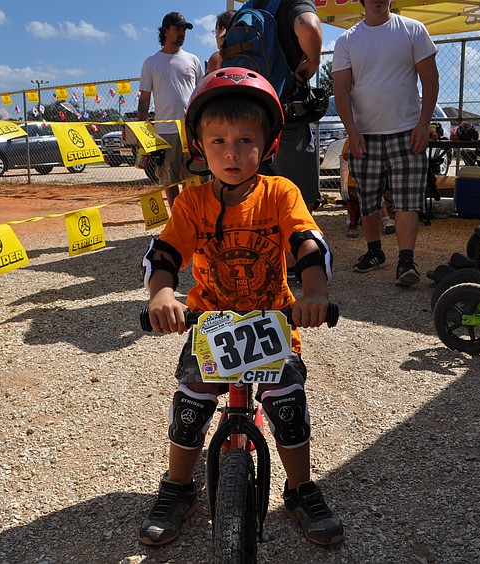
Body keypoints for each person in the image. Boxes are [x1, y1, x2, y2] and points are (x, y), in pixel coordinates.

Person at [138, 68, 344, 547]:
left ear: (268, 146)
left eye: (246, 140)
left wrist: (313, 291)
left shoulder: (280, 194)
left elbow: (308, 242)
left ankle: (300, 489)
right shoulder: (191, 201)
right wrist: (162, 295)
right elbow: (165, 254)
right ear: (199, 148)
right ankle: (177, 487)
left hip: (272, 320)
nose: (231, 152)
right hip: (210, 324)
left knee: (288, 405)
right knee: (191, 404)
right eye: (218, 141)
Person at [332, 0, 439, 286]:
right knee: (367, 199)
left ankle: (406, 260)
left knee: (407, 199)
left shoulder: (413, 30)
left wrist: (423, 124)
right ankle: (374, 251)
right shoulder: (347, 40)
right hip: (364, 134)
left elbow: (430, 78)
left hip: (407, 130)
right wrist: (352, 131)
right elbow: (341, 89)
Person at [255, 0, 324, 212]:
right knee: (299, 206)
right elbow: (308, 26)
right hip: (286, 121)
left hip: (250, 120)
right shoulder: (293, 2)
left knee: (259, 207)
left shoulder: (249, 7)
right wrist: (313, 61)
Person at [137, 11, 203, 206]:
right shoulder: (151, 63)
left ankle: (195, 219)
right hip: (165, 132)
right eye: (177, 29)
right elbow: (144, 100)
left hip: (190, 130)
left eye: (184, 29)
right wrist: (144, 133)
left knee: (195, 178)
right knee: (169, 180)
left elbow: (199, 93)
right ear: (165, 31)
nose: (182, 33)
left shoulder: (193, 60)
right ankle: (177, 220)